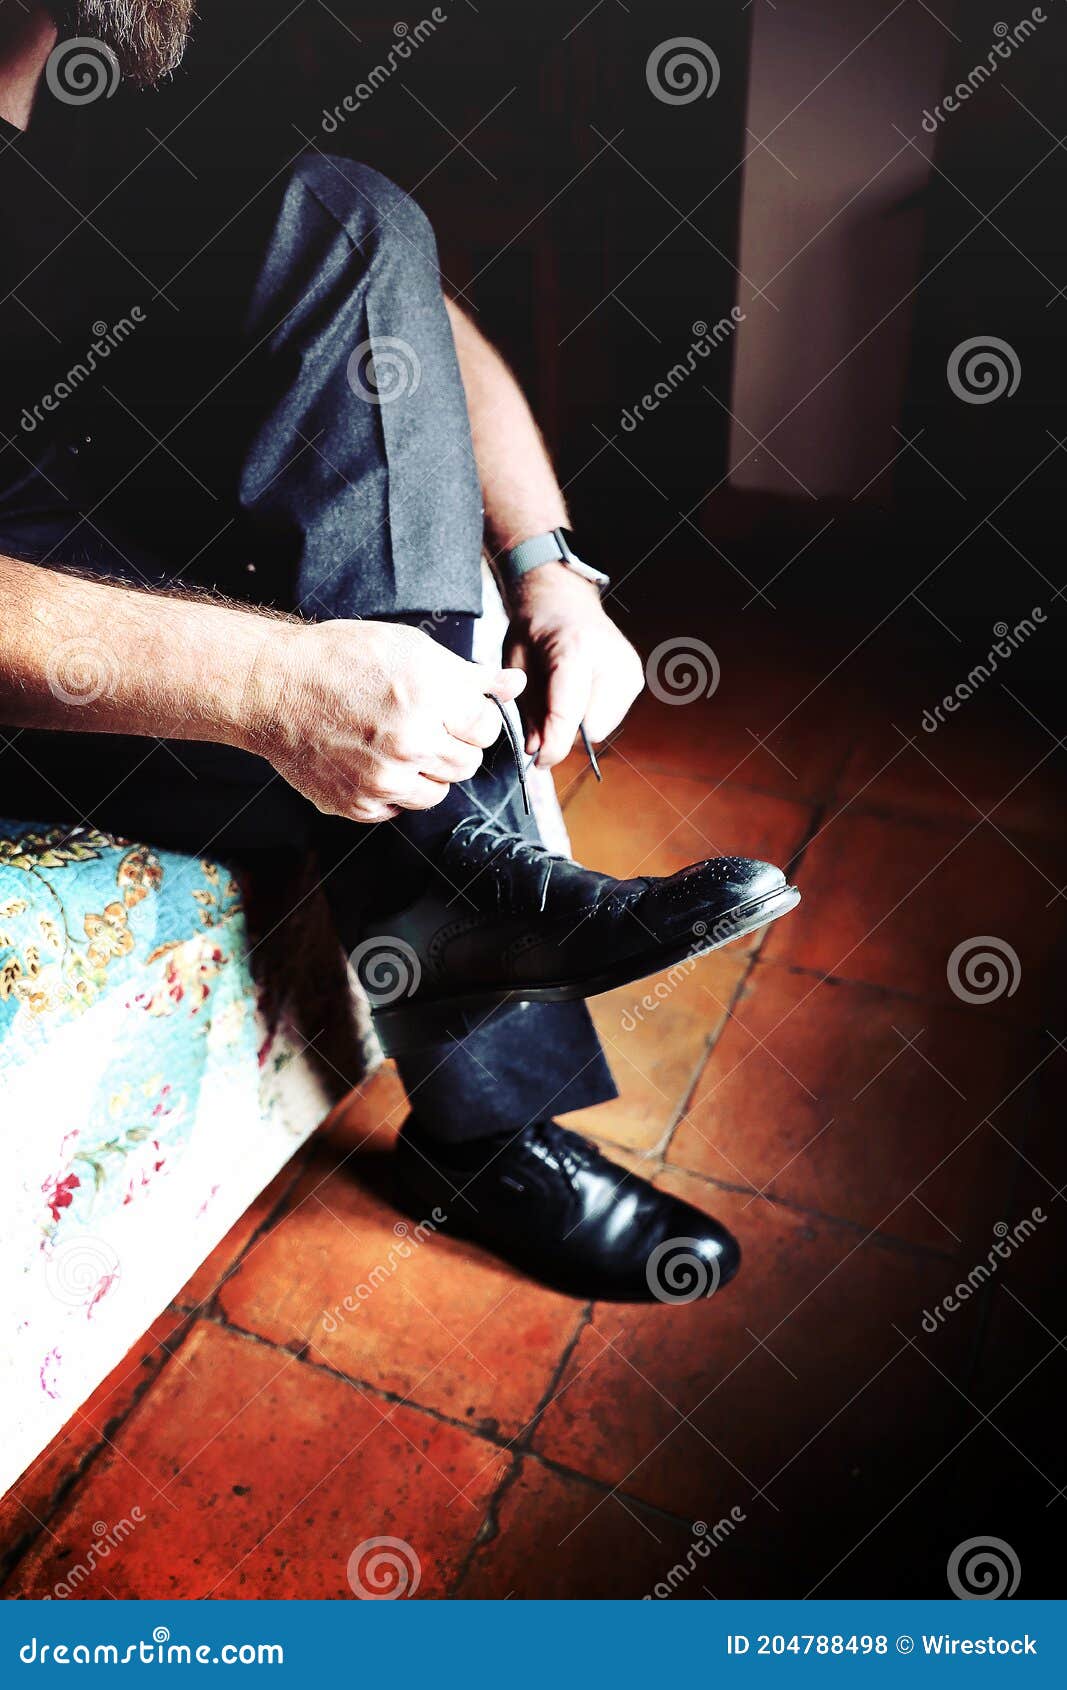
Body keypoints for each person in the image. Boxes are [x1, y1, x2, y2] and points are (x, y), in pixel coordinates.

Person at [0, 1, 798, 1301]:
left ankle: (460, 879)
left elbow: (404, 304)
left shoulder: (119, 101)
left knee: (353, 214)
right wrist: (274, 684)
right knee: (405, 714)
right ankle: (488, 1120)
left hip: (126, 545)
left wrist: (552, 571)